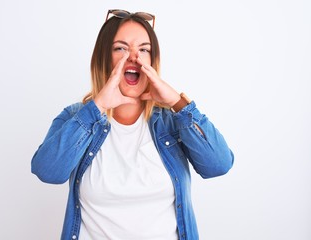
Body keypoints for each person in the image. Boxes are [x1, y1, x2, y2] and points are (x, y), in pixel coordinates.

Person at [31, 9, 234, 240]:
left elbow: (219, 164)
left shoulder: (172, 121)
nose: (134, 57)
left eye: (144, 50)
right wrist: (96, 108)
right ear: (103, 58)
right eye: (121, 48)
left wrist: (178, 104)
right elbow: (48, 171)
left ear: (152, 61)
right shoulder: (76, 117)